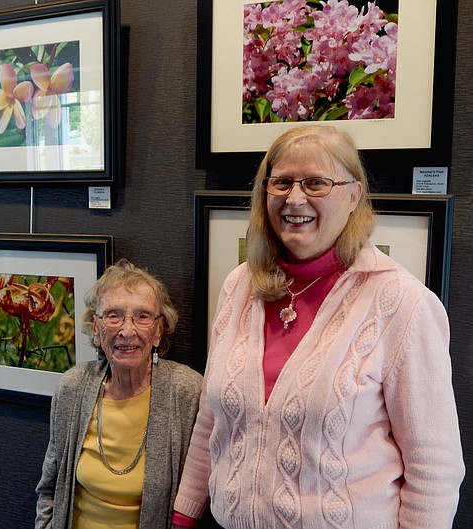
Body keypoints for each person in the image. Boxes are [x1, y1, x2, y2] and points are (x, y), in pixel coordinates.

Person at [172, 125, 465, 529]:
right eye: (282, 182)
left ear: (353, 195)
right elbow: (213, 417)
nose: (295, 198)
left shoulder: (404, 303)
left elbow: (434, 466)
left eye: (316, 183)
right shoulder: (240, 285)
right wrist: (185, 512)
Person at [36, 259, 203, 529]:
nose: (127, 330)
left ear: (159, 331)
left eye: (143, 316)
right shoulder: (72, 387)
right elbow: (50, 488)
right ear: (96, 331)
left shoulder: (187, 392)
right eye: (113, 315)